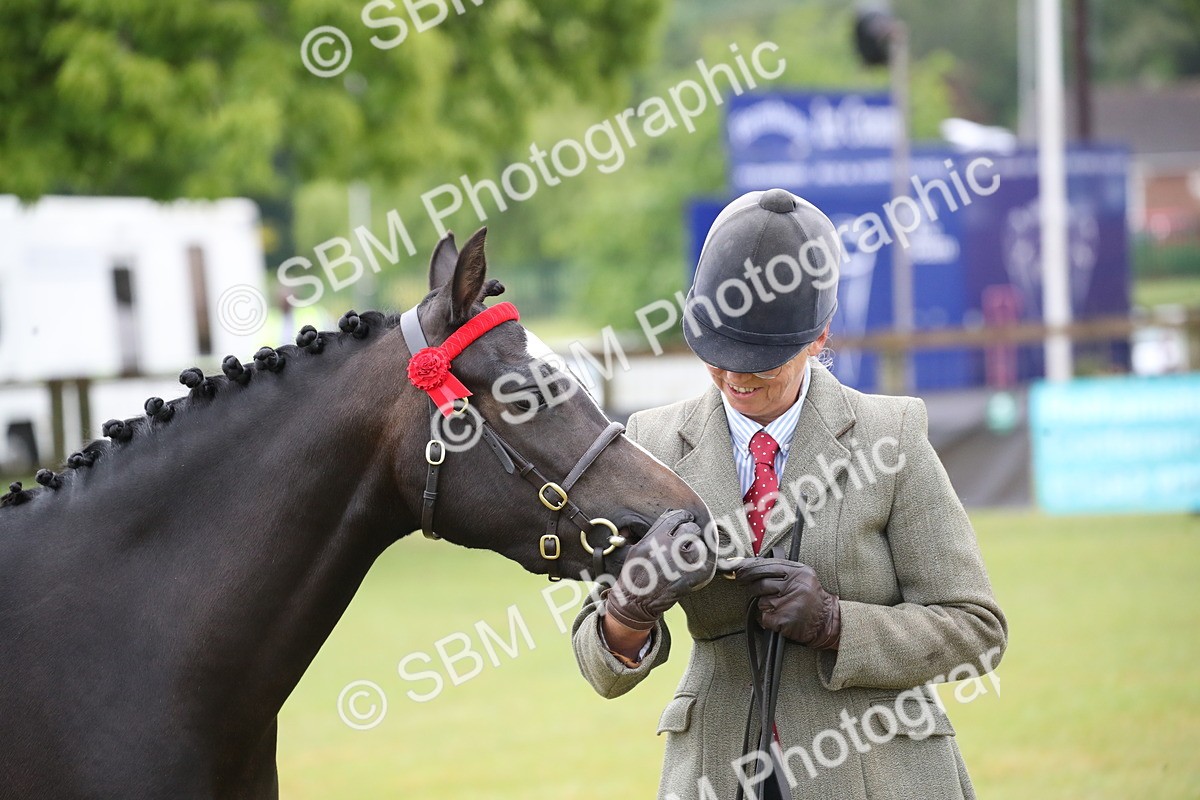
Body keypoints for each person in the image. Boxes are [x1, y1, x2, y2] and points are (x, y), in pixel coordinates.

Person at [571, 189, 1007, 799]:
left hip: (875, 772)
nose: (735, 377)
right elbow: (598, 662)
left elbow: (975, 628)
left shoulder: (893, 435)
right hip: (716, 773)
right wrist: (629, 608)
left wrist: (837, 624)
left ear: (820, 336)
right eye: (719, 356)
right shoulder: (652, 444)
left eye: (761, 360)